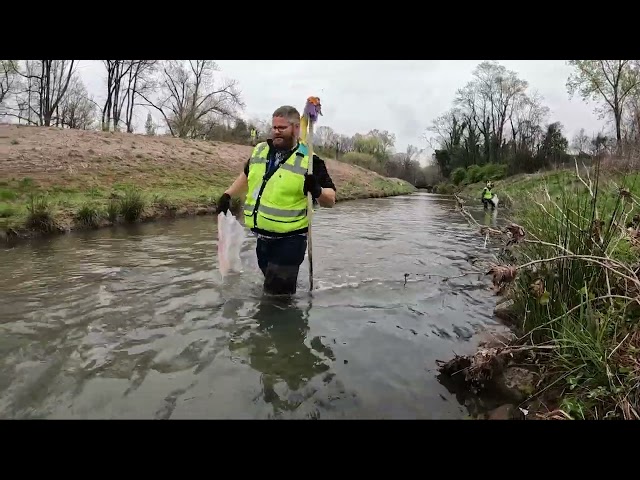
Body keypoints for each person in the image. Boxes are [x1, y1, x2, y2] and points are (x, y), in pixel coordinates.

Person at [216, 105, 337, 295]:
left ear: (296, 128)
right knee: (272, 289)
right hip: (263, 238)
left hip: (290, 240)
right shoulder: (260, 150)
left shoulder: (311, 161)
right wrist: (228, 195)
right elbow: (247, 175)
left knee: (275, 299)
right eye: (274, 127)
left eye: (282, 128)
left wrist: (317, 190)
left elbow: (330, 199)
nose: (276, 132)